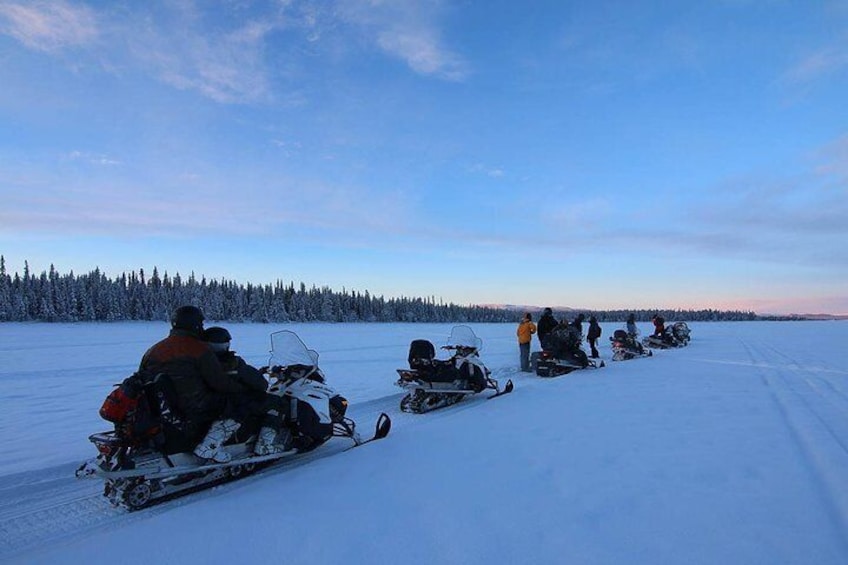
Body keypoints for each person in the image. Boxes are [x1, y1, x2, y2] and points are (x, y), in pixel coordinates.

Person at [139, 305, 250, 463]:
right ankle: (210, 446)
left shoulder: (154, 349)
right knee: (241, 401)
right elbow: (220, 383)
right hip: (194, 404)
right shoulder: (199, 349)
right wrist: (243, 388)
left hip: (162, 406)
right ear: (195, 325)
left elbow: (142, 375)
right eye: (201, 324)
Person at [203, 326, 292, 457]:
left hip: (207, 400)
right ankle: (264, 444)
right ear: (225, 344)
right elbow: (260, 384)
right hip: (230, 402)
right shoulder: (231, 362)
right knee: (277, 403)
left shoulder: (199, 361)